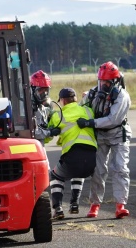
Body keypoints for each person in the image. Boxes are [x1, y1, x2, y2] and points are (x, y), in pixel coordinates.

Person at [77, 61, 132, 219]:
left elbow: (112, 119)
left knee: (120, 168)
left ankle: (120, 205)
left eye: (107, 82)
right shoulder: (93, 93)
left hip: (117, 134)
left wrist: (90, 123)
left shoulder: (122, 96)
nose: (103, 85)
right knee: (97, 171)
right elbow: (81, 108)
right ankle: (95, 205)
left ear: (114, 82)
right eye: (101, 81)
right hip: (100, 135)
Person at [30, 71, 87, 217]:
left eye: (46, 90)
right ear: (32, 89)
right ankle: (37, 211)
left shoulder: (43, 107)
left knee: (45, 179)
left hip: (39, 147)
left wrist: (50, 131)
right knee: (38, 180)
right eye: (40, 90)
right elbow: (33, 131)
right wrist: (50, 132)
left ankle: (50, 209)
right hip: (29, 148)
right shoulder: (27, 107)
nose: (44, 93)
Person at [47, 87, 97, 220]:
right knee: (79, 173)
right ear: (75, 99)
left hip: (73, 156)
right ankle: (74, 204)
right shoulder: (88, 110)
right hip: (92, 158)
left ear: (62, 101)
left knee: (55, 176)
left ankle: (57, 208)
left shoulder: (58, 115)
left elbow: (47, 137)